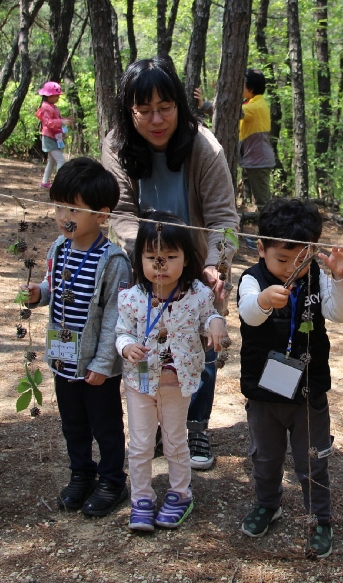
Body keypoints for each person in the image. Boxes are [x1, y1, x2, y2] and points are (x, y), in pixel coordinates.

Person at [105, 55, 239, 471]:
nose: (156, 119)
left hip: (199, 262)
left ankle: (194, 426)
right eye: (144, 110)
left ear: (180, 105)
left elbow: (225, 218)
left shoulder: (204, 146)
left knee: (201, 337)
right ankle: (155, 423)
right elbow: (118, 211)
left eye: (165, 107)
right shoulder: (117, 145)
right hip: (142, 265)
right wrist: (151, 248)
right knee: (148, 339)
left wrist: (214, 263)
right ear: (130, 112)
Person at [236, 198, 343, 558]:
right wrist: (265, 301)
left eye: (300, 260)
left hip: (308, 391)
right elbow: (248, 314)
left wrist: (339, 277)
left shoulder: (317, 275)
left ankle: (320, 517)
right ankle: (268, 503)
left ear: (313, 252)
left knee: (312, 460)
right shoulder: (252, 279)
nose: (291, 270)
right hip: (264, 392)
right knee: (266, 458)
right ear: (261, 248)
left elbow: (339, 314)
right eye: (282, 260)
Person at [23, 157, 133, 517]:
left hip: (95, 366)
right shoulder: (60, 247)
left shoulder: (113, 260)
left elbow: (115, 318)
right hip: (62, 357)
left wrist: (103, 363)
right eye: (58, 205)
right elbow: (58, 287)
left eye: (73, 208)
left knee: (105, 425)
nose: (61, 215)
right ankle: (81, 474)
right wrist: (40, 293)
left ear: (102, 215)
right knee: (73, 423)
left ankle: (113, 480)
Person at [116, 211, 228, 531]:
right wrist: (126, 347)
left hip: (179, 383)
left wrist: (216, 323)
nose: (160, 265)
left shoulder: (198, 295)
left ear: (186, 257)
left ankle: (180, 494)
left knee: (176, 441)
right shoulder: (131, 298)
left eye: (169, 256)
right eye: (152, 257)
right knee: (139, 444)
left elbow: (209, 318)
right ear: (139, 258)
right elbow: (121, 331)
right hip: (140, 382)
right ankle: (141, 498)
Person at [239, 69, 275, 212]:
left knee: (264, 204)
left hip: (259, 162)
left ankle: (267, 233)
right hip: (257, 161)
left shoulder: (256, 106)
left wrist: (204, 105)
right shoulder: (252, 103)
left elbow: (230, 110)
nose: (239, 86)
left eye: (243, 83)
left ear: (252, 88)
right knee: (263, 201)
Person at [35, 81, 73, 189]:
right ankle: (59, 183)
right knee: (61, 160)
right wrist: (61, 122)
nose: (58, 98)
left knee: (51, 161)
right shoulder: (45, 107)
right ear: (49, 96)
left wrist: (64, 122)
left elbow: (56, 120)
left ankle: (45, 182)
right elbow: (48, 123)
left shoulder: (53, 107)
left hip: (55, 138)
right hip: (49, 138)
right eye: (56, 96)